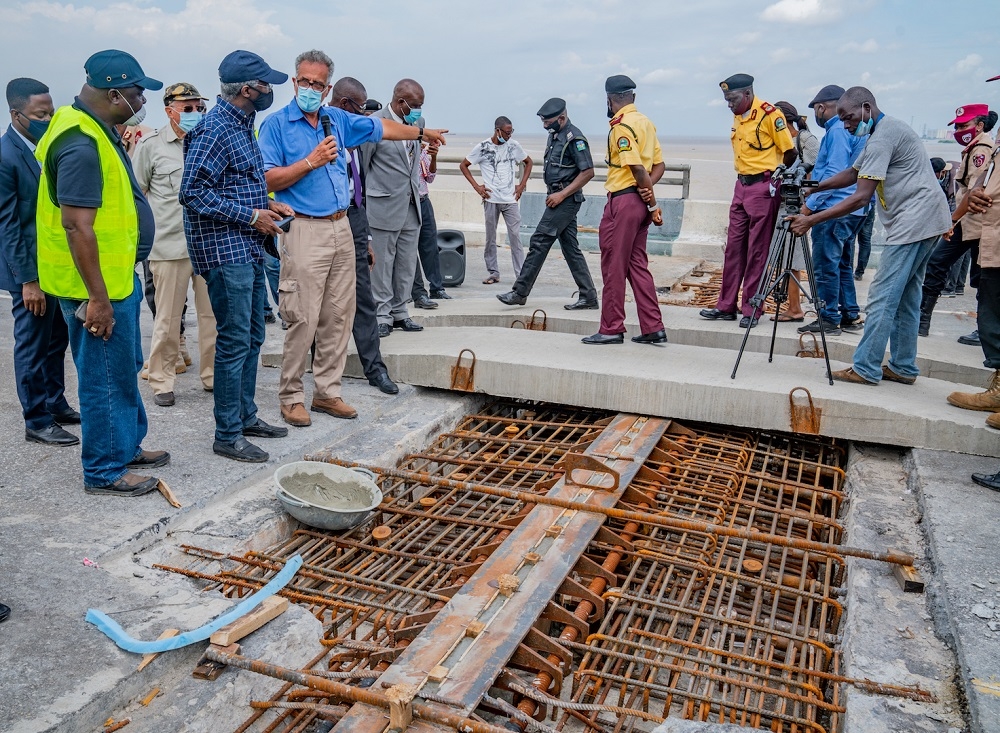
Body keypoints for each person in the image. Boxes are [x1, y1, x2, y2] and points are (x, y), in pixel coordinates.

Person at [259, 54, 443, 427]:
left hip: (342, 226)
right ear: (295, 83)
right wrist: (309, 162)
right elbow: (266, 180)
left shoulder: (336, 119)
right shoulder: (276, 125)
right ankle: (292, 396)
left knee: (338, 316)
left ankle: (327, 392)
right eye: (303, 82)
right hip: (304, 228)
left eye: (317, 84)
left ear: (328, 89)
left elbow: (383, 129)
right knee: (303, 317)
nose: (309, 89)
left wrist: (423, 133)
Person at [35, 50, 169, 495]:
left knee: (122, 368)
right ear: (114, 93)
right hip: (96, 288)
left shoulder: (96, 127)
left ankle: (125, 445)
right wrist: (97, 299)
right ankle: (105, 470)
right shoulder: (80, 143)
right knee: (104, 379)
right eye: (136, 93)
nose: (140, 100)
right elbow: (76, 224)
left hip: (115, 277)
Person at [789, 87, 951, 385]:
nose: (847, 124)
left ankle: (865, 367)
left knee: (882, 297)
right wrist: (816, 187)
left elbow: (860, 197)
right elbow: (853, 173)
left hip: (914, 222)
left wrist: (810, 218)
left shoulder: (883, 137)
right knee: (906, 297)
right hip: (928, 219)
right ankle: (903, 366)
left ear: (866, 107)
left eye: (849, 117)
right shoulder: (879, 133)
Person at [179, 50, 293, 462]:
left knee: (252, 335)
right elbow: (191, 193)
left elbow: (234, 182)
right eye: (266, 85)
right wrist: (250, 215)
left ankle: (245, 416)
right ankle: (227, 434)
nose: (271, 91)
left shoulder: (242, 124)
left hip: (245, 245)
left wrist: (267, 204)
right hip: (224, 251)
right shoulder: (214, 129)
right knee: (233, 341)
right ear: (248, 89)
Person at [1, 77, 81, 447]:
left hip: (54, 267)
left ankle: (54, 402)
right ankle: (36, 420)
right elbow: (9, 226)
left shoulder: (45, 147)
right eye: (40, 114)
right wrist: (28, 281)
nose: (48, 118)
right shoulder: (6, 156)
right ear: (17, 115)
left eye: (50, 111)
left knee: (56, 340)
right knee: (32, 344)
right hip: (29, 271)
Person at [134, 83, 216, 407]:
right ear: (170, 110)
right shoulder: (151, 147)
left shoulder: (210, 142)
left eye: (199, 108)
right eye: (188, 108)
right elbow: (137, 197)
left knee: (212, 316)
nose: (195, 114)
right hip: (169, 246)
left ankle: (212, 377)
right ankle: (161, 380)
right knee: (167, 319)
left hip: (208, 244)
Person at [701, 74, 795, 329]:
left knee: (757, 250)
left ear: (747, 94)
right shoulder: (739, 116)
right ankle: (726, 305)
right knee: (733, 248)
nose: (728, 104)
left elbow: (790, 152)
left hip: (763, 186)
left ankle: (752, 307)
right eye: (726, 100)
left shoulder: (769, 114)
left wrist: (774, 179)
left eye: (732, 99)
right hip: (741, 185)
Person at [582, 75, 666, 345]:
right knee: (637, 265)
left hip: (624, 201)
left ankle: (611, 328)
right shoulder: (646, 122)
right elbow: (658, 167)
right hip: (638, 201)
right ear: (633, 97)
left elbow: (637, 169)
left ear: (610, 99)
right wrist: (648, 196)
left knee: (613, 265)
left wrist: (648, 197)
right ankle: (653, 327)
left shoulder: (621, 126)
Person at [329, 77, 399, 395]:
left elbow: (361, 190)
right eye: (362, 109)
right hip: (323, 223)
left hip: (355, 222)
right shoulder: (321, 132)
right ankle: (325, 372)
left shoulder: (355, 142)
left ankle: (375, 369)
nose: (367, 119)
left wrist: (367, 238)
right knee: (325, 302)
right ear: (345, 105)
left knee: (364, 299)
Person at [497, 98, 597, 309]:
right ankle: (588, 296)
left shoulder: (575, 138)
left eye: (548, 122)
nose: (544, 126)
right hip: (556, 197)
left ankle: (519, 292)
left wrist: (561, 194)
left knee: (539, 240)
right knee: (570, 248)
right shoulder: (555, 135)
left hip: (566, 200)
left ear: (561, 118)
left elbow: (588, 171)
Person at [360, 79, 439, 337]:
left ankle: (400, 311)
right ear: (400, 100)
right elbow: (363, 166)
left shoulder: (419, 123)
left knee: (406, 264)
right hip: (382, 204)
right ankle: (381, 314)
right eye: (414, 105)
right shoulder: (377, 122)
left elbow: (414, 163)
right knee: (382, 264)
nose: (418, 110)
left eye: (421, 105)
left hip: (411, 204)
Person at [918, 104, 997, 341]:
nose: (960, 130)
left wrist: (951, 220)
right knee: (941, 265)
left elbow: (975, 191)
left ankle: (984, 330)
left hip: (977, 222)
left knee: (979, 277)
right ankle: (921, 321)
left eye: (965, 126)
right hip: (971, 221)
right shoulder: (974, 148)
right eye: (958, 126)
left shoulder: (982, 149)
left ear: (980, 126)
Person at [795, 85, 867, 336]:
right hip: (854, 208)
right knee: (843, 264)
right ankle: (849, 314)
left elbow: (834, 175)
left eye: (817, 109)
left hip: (833, 208)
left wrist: (809, 207)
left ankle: (828, 317)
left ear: (822, 107)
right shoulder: (858, 129)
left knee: (825, 265)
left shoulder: (836, 130)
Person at [460, 117, 532, 284]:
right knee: (490, 237)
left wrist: (521, 185)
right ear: (497, 130)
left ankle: (521, 276)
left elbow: (528, 163)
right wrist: (477, 187)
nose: (509, 136)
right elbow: (463, 165)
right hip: (491, 199)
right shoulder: (483, 147)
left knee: (515, 236)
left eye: (511, 132)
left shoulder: (513, 146)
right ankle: (493, 273)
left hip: (510, 200)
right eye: (507, 133)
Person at [772, 99, 819, 323]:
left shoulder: (805, 140)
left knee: (794, 259)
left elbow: (816, 173)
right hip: (779, 203)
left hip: (798, 206)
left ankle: (795, 308)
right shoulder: (777, 141)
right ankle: (791, 306)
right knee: (782, 258)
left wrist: (807, 208)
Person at [411, 140, 447, 309]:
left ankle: (437, 288)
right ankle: (417, 292)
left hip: (424, 201)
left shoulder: (423, 150)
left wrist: (434, 157)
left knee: (430, 247)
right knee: (409, 249)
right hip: (408, 203)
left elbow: (430, 177)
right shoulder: (404, 149)